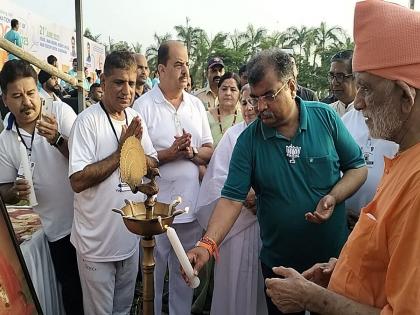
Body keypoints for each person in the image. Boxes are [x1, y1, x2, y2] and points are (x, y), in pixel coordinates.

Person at [262, 2, 420, 314]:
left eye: (366, 89)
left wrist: (310, 298)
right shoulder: (403, 159)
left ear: (405, 96)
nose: (357, 104)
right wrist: (342, 269)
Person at [185, 49, 367, 315]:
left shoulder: (325, 118)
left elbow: (357, 168)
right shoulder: (249, 141)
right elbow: (232, 198)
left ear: (291, 86)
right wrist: (207, 245)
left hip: (333, 264)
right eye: (255, 98)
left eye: (269, 96)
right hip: (280, 268)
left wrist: (334, 196)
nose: (260, 108)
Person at [68, 50, 158, 315]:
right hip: (96, 246)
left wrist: (140, 163)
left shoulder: (133, 118)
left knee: (123, 310)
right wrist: (122, 152)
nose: (126, 90)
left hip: (128, 240)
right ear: (103, 82)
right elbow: (77, 181)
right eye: (119, 82)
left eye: (132, 83)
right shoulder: (86, 122)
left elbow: (152, 163)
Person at [133, 40, 213, 315]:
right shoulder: (143, 107)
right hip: (156, 213)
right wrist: (168, 153)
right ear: (161, 69)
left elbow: (208, 150)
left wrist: (189, 152)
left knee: (185, 275)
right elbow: (136, 162)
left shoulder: (195, 105)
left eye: (187, 64)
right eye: (178, 64)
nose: (185, 70)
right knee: (152, 276)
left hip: (189, 209)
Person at [0, 60, 83, 315]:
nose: (26, 102)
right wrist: (14, 193)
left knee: (98, 292)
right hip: (55, 229)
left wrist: (58, 139)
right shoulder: (5, 138)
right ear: (5, 100)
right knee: (71, 292)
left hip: (86, 220)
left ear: (38, 90)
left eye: (30, 92)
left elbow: (85, 162)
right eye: (17, 96)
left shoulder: (59, 112)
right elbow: (3, 188)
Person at [196, 84, 267, 315]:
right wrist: (244, 194)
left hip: (265, 226)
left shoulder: (273, 134)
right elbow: (217, 180)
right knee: (233, 286)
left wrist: (261, 195)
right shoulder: (232, 135)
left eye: (252, 102)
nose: (248, 108)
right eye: (244, 102)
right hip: (234, 227)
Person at [207, 72, 243, 147]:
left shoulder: (244, 119)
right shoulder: (206, 117)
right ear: (218, 91)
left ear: (239, 94)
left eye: (233, 90)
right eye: (224, 89)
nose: (228, 93)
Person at [328, 50, 356, 117]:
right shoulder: (327, 113)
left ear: (356, 77)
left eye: (340, 76)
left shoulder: (370, 114)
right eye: (332, 76)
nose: (334, 82)